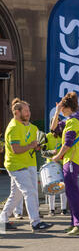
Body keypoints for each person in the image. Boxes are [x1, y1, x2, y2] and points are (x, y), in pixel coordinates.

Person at [0, 98, 53, 232]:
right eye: (25, 111)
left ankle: (2, 220)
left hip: (29, 164)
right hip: (17, 165)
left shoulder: (29, 126)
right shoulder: (13, 128)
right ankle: (35, 223)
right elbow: (15, 149)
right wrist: (31, 146)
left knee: (16, 195)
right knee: (30, 192)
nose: (28, 113)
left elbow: (33, 145)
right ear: (17, 112)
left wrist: (36, 147)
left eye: (29, 110)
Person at [51, 92, 79, 236]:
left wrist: (57, 156)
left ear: (67, 108)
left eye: (61, 108)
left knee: (72, 192)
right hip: (71, 159)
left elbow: (67, 144)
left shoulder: (73, 122)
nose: (60, 110)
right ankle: (75, 223)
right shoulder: (71, 120)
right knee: (70, 192)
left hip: (72, 159)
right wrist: (56, 112)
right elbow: (53, 129)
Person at [42, 128, 67, 216]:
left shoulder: (64, 135)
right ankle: (51, 209)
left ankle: (64, 209)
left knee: (63, 187)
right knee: (51, 186)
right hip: (51, 165)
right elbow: (43, 152)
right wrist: (52, 152)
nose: (58, 127)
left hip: (62, 164)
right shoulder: (47, 136)